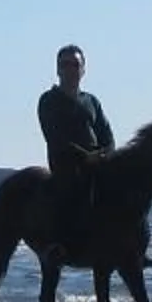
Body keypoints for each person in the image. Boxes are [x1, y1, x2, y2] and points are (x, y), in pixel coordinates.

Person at [36, 44, 116, 257]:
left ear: (83, 69)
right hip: (66, 163)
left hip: (97, 161)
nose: (71, 69)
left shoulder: (91, 101)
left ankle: (133, 247)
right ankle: (57, 244)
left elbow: (106, 132)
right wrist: (84, 156)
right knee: (69, 191)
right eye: (65, 65)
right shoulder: (48, 100)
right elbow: (54, 137)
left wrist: (107, 153)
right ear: (58, 69)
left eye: (75, 64)